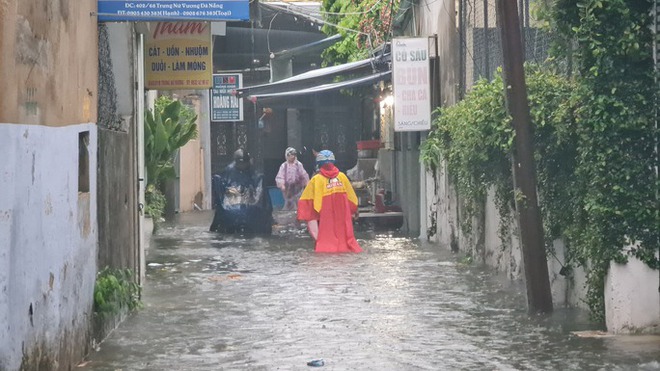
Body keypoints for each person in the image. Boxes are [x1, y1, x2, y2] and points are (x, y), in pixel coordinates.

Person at [297, 150, 362, 253]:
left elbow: (306, 202)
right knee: (343, 242)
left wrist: (303, 215)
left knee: (325, 246)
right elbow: (352, 199)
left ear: (318, 164)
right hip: (342, 217)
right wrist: (355, 210)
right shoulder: (342, 177)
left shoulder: (316, 180)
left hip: (325, 219)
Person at [210, 149, 273, 234]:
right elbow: (222, 187)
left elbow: (262, 194)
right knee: (219, 214)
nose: (243, 165)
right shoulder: (229, 171)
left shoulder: (254, 173)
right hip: (232, 202)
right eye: (240, 163)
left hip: (249, 204)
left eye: (244, 163)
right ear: (236, 162)